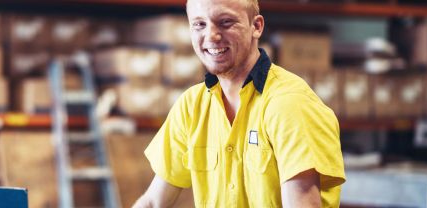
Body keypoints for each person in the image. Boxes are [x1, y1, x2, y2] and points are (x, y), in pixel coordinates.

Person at [133, 0, 346, 207]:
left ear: (256, 26)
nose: (211, 36)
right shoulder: (191, 106)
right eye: (199, 24)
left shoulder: (289, 104)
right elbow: (152, 202)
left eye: (225, 22)